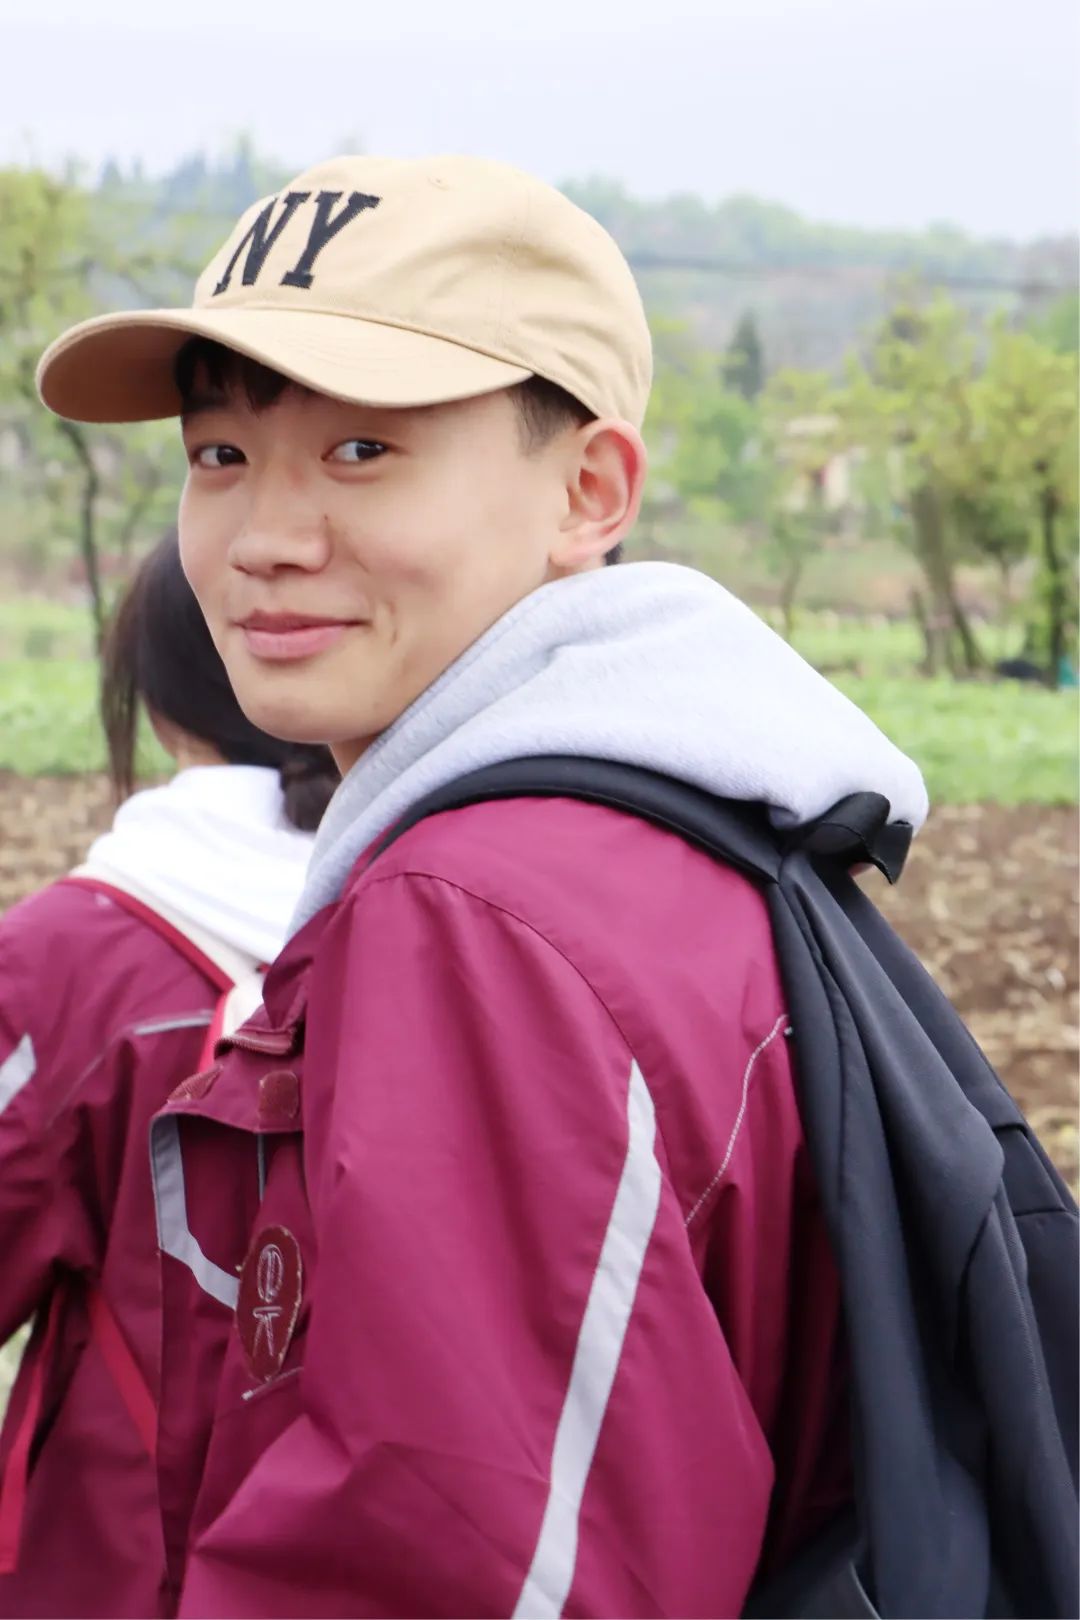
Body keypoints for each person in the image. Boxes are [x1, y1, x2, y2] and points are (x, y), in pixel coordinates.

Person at [36, 155, 928, 1618]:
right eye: (221, 455)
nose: (264, 538)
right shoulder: (687, 833)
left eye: (361, 450)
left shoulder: (480, 919)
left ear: (589, 490)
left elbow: (464, 1566)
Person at [0, 531, 336, 1619]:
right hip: (392, 1557)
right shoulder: (461, 921)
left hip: (129, 1562)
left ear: (155, 703)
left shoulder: (71, 960)